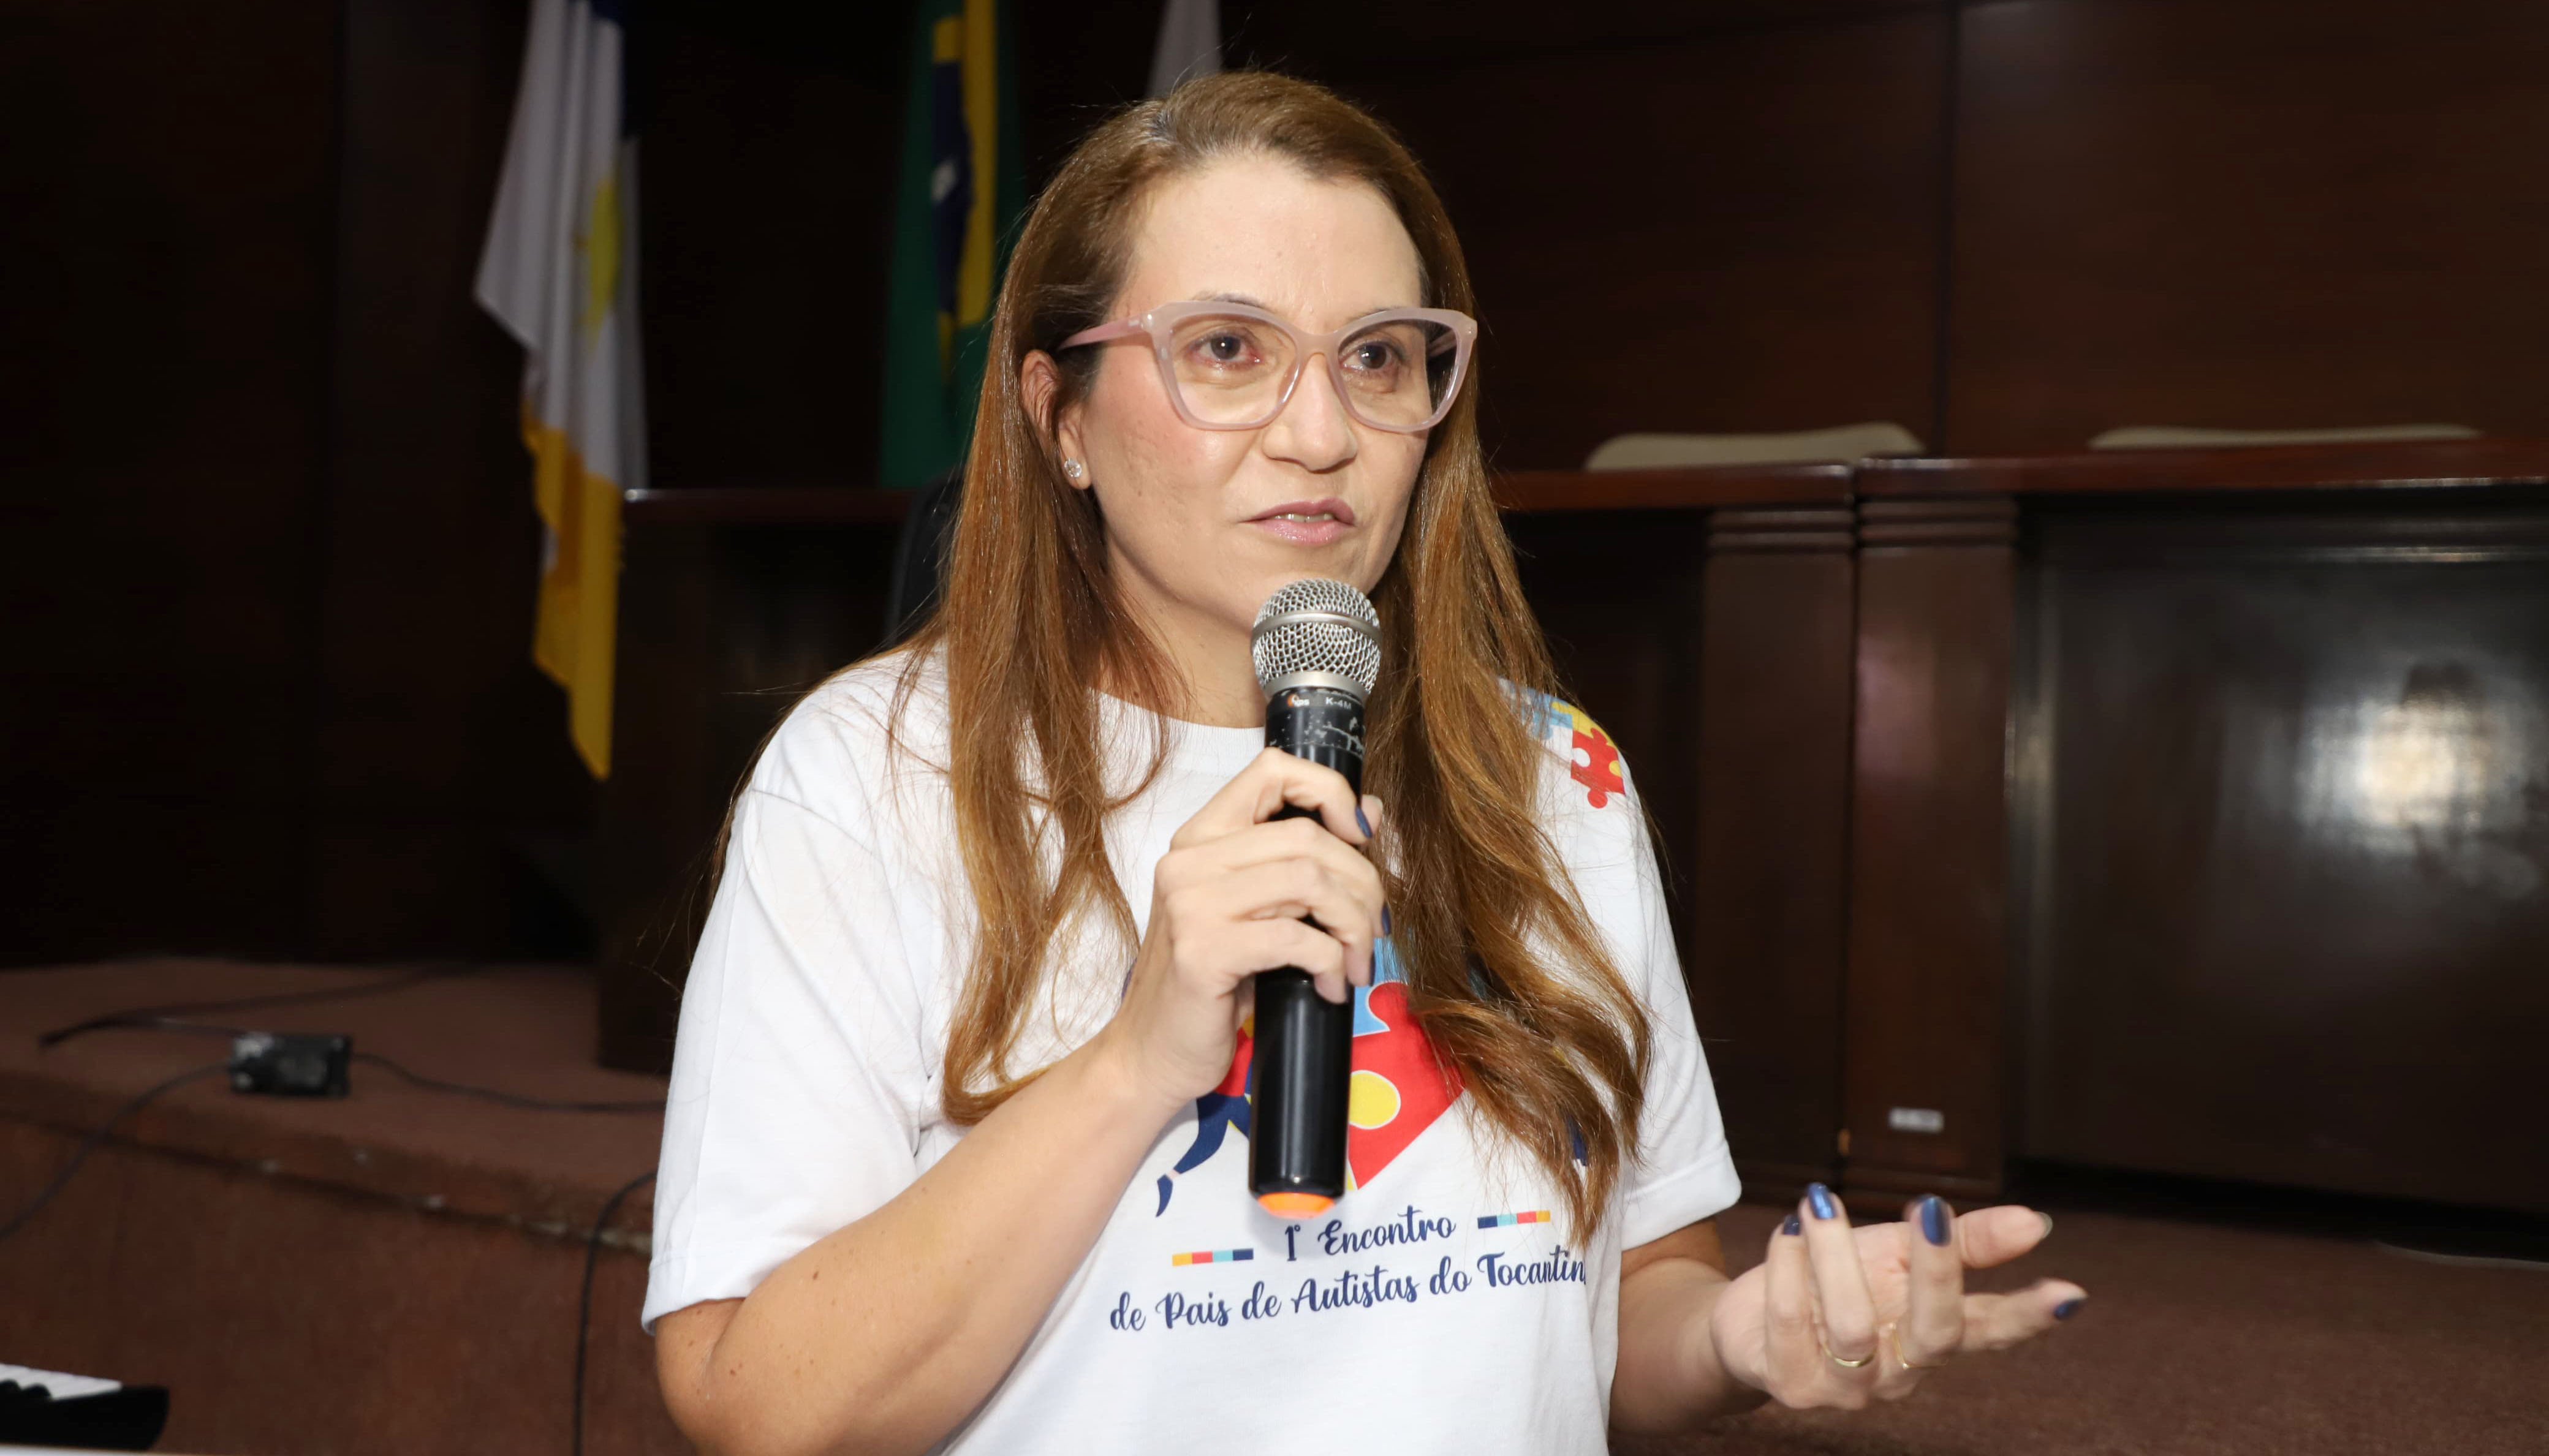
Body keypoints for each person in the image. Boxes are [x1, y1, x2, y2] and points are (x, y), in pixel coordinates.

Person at [643, 70, 2086, 1456]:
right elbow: (752, 1403)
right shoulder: (873, 776)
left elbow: (1633, 1301)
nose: (1322, 433)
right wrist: (1133, 1064)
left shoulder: (1552, 775)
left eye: (1377, 357)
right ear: (1058, 414)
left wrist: (1736, 1341)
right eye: (1228, 349)